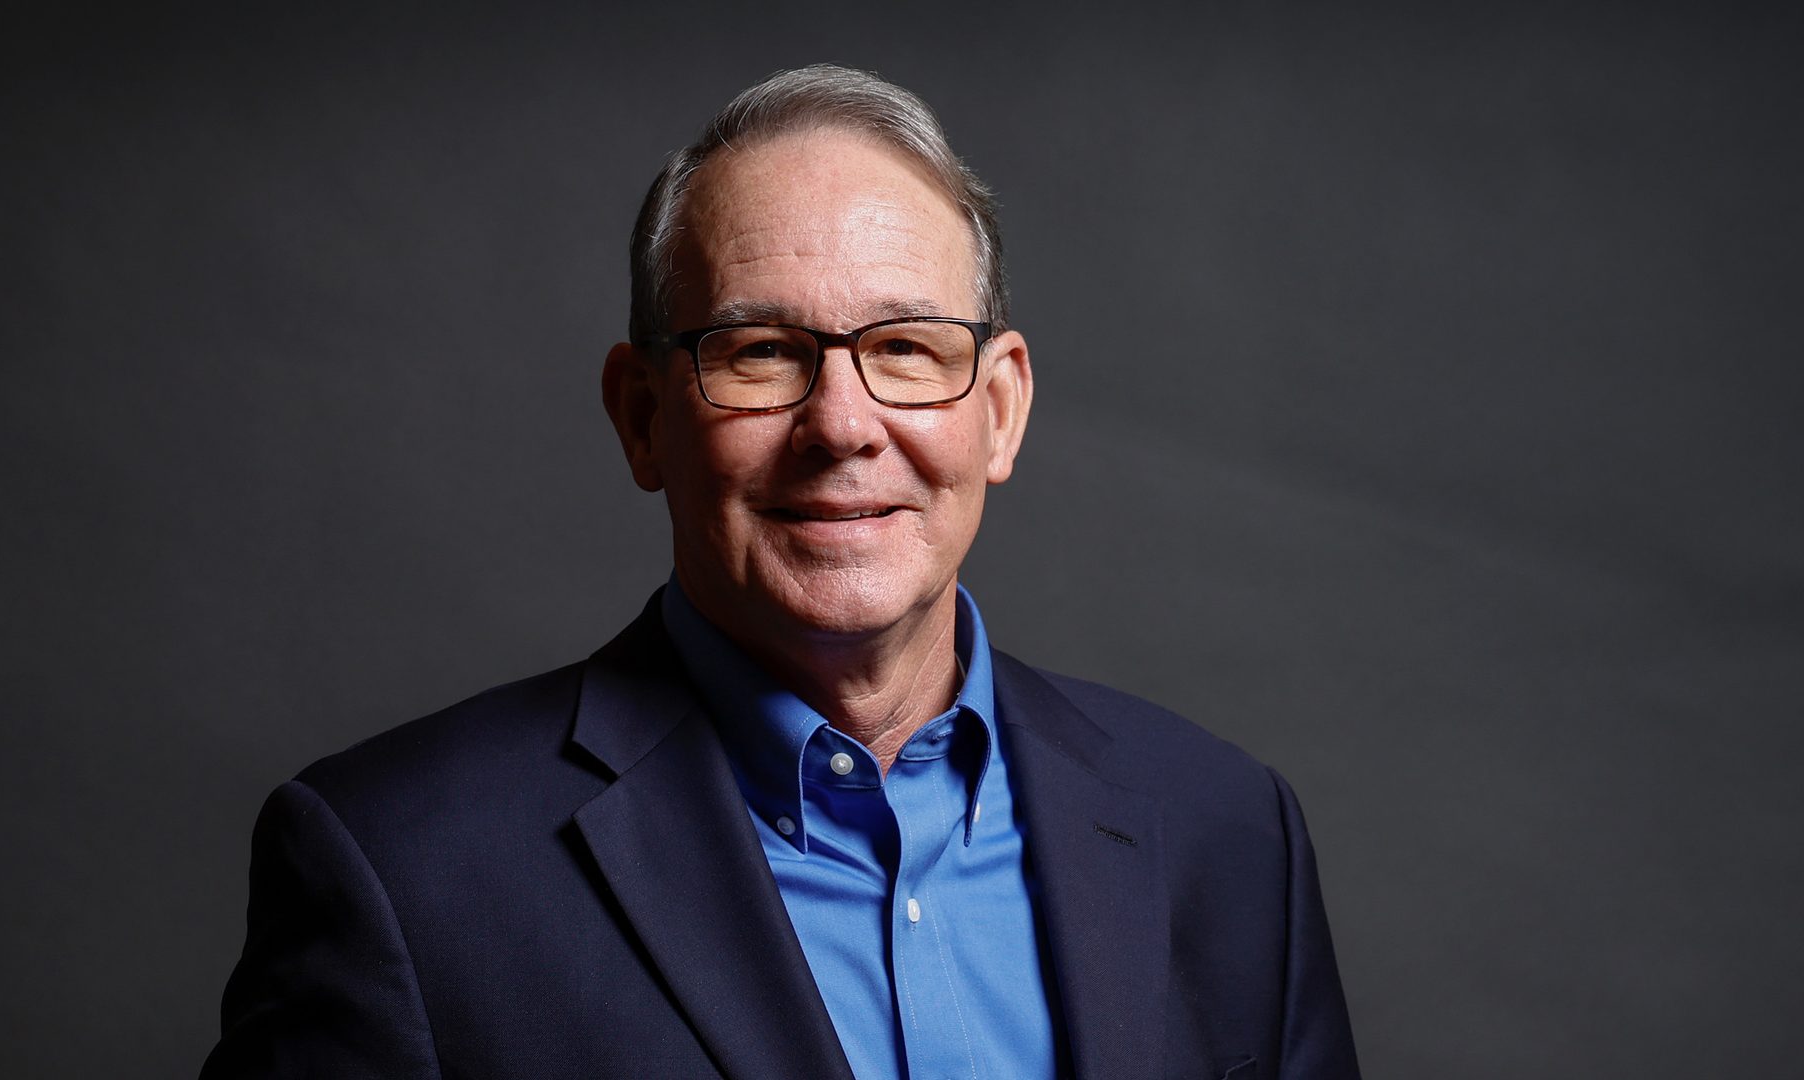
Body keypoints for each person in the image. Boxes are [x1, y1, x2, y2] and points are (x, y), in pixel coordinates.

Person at [202, 64, 1360, 1080]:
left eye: (906, 348)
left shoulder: (1225, 828)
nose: (842, 425)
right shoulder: (399, 870)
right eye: (762, 353)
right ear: (643, 417)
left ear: (999, 411)